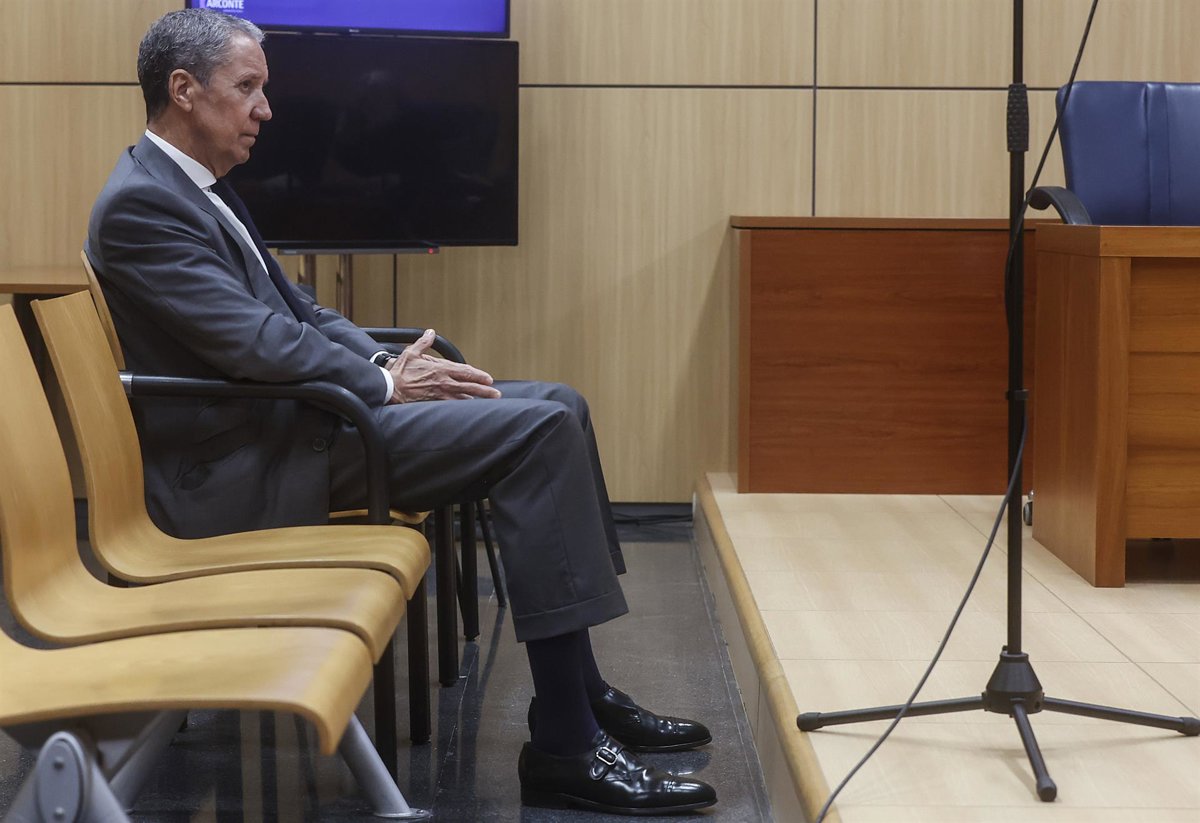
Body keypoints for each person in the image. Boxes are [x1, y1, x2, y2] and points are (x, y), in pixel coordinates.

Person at [85, 8, 716, 815]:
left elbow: (303, 313)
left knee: (560, 401)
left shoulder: (192, 185)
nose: (265, 109)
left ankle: (581, 691)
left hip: (296, 423)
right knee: (541, 430)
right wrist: (385, 386)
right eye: (247, 88)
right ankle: (565, 742)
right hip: (252, 462)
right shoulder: (143, 205)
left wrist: (384, 363)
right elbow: (256, 345)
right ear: (183, 90)